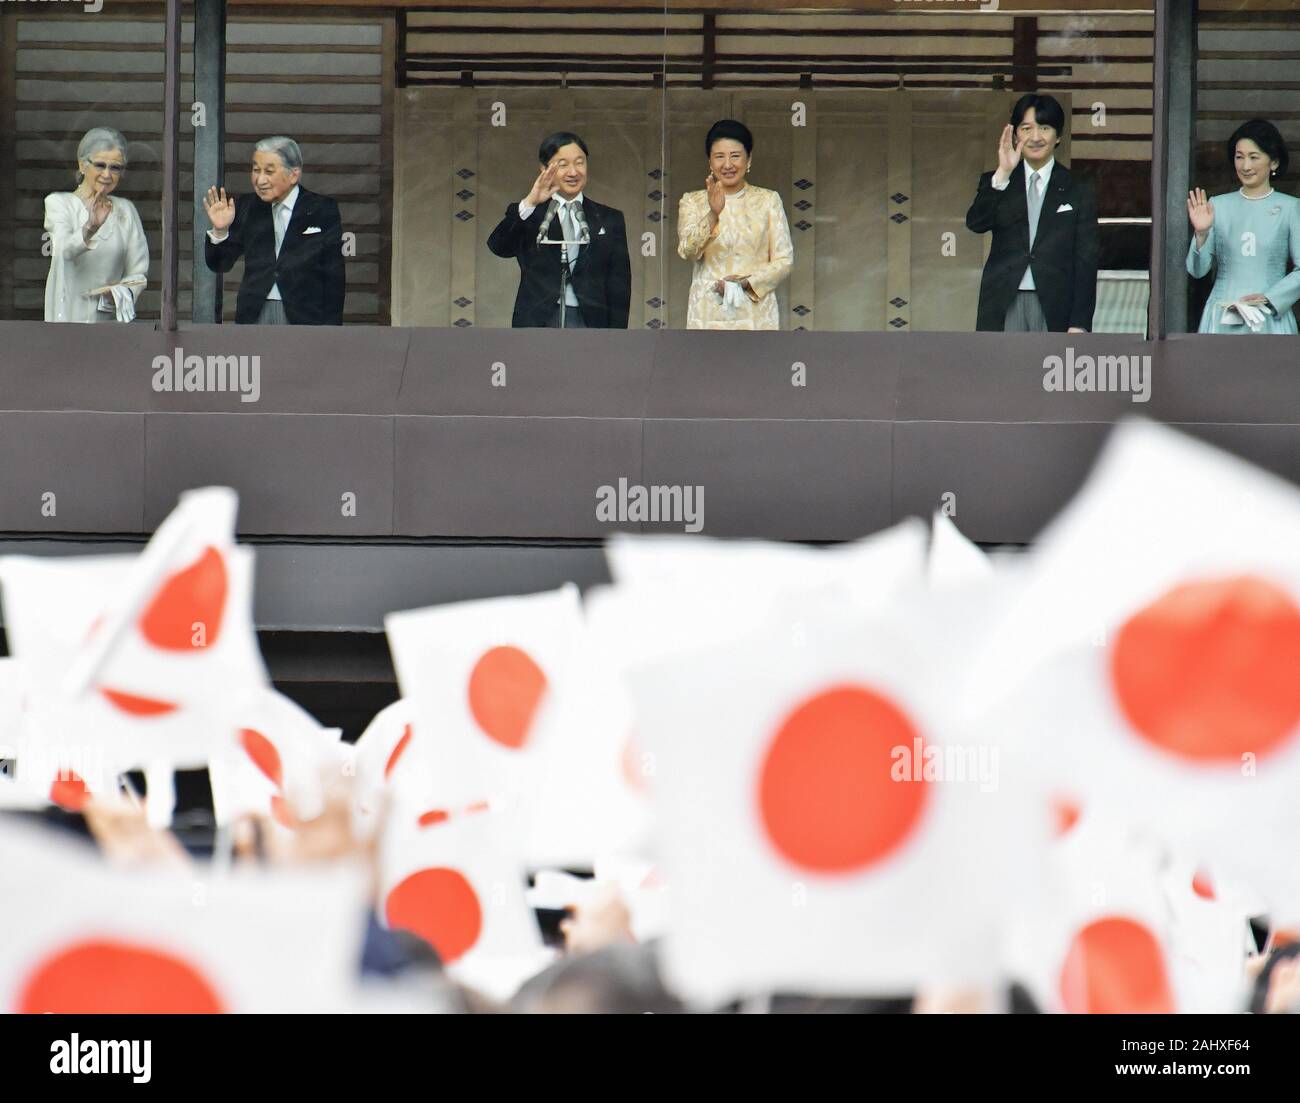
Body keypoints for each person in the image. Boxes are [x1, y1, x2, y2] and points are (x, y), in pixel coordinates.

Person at [965, 94, 1099, 333]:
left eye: (1045, 128)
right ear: (1016, 134)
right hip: (1005, 299)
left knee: (1049, 369)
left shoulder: (1077, 188)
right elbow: (976, 223)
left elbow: (1086, 260)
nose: (1035, 137)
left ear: (1058, 136)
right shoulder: (999, 180)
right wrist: (1003, 174)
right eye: (1027, 128)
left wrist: (1079, 322)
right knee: (1006, 369)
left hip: (1055, 302)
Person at [487, 131, 631, 329]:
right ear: (544, 169)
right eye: (563, 165)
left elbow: (619, 285)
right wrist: (530, 202)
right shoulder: (531, 214)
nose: (573, 172)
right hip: (538, 321)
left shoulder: (609, 218)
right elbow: (498, 247)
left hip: (591, 322)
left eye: (580, 162)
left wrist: (618, 338)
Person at [201, 136, 345, 325]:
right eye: (255, 170)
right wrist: (220, 231)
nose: (260, 180)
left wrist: (331, 330)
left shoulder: (321, 209)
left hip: (305, 314)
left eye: (269, 171)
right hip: (255, 312)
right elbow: (220, 265)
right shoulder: (246, 207)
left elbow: (334, 274)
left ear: (294, 174)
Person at [1186, 119, 1300, 335]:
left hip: (1269, 319)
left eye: (1254, 157)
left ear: (1273, 162)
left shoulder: (1290, 208)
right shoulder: (1217, 205)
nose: (1245, 166)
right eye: (1239, 157)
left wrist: (1271, 298)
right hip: (1221, 317)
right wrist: (1201, 233)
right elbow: (1197, 271)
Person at [677, 119, 793, 331]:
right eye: (719, 156)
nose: (728, 164)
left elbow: (784, 260)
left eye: (735, 156)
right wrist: (713, 213)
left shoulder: (768, 200)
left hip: (755, 316)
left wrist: (745, 283)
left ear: (749, 160)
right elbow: (688, 251)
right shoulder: (692, 201)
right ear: (710, 163)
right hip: (707, 315)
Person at [43, 127, 149, 323]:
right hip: (68, 320)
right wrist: (90, 228)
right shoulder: (59, 203)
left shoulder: (126, 210)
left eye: (115, 167)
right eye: (100, 165)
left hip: (110, 326)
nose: (107, 175)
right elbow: (63, 252)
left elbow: (138, 273)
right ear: (82, 165)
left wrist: (119, 292)